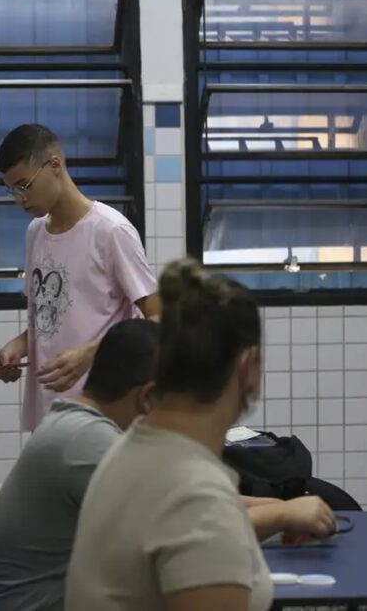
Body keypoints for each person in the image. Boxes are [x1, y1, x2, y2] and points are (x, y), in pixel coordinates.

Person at [0, 318, 336, 611]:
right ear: (148, 398)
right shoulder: (87, 443)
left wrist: (284, 506)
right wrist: (284, 516)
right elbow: (195, 525)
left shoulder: (76, 426)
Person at [65, 259, 337, 611]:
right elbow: (197, 514)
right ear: (248, 366)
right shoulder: (197, 495)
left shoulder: (130, 452)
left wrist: (279, 513)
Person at [0, 124, 160, 430]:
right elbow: (50, 318)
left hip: (104, 414)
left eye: (24, 185)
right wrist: (18, 346)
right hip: (49, 414)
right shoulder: (36, 233)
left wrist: (91, 353)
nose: (20, 199)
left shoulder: (110, 232)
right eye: (12, 189)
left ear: (55, 166)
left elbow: (160, 319)